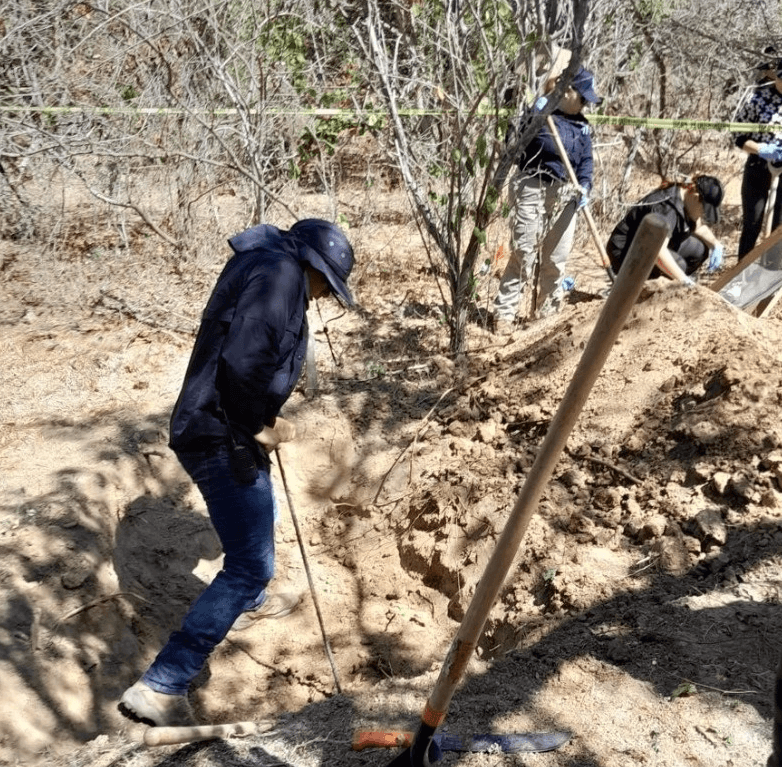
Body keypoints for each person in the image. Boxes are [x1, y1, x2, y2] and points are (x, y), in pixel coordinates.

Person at [118, 218, 355, 727]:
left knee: (252, 539)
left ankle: (253, 598)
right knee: (250, 564)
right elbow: (244, 360)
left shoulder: (267, 264)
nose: (322, 297)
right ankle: (163, 683)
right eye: (325, 286)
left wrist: (260, 420)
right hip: (220, 431)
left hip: (219, 426)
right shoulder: (279, 276)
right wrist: (259, 424)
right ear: (312, 265)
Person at [493, 66, 602, 333]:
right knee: (524, 253)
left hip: (568, 193)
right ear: (567, 91)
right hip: (532, 186)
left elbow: (586, 162)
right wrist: (534, 115)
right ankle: (504, 315)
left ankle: (545, 317)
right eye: (583, 97)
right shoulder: (539, 114)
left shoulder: (583, 126)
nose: (587, 103)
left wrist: (585, 186)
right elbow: (514, 145)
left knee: (556, 258)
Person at [606, 175, 725, 283]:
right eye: (703, 210)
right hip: (625, 254)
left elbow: (697, 226)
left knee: (699, 250)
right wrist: (682, 279)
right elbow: (658, 252)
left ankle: (669, 282)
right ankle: (641, 288)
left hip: (651, 244)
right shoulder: (667, 209)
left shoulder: (687, 198)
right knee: (679, 266)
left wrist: (716, 245)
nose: (703, 215)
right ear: (695, 197)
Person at [734, 53, 782, 259]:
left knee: (778, 229)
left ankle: (770, 278)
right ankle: (740, 279)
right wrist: (762, 149)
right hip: (758, 168)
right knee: (752, 224)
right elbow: (738, 136)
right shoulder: (757, 99)